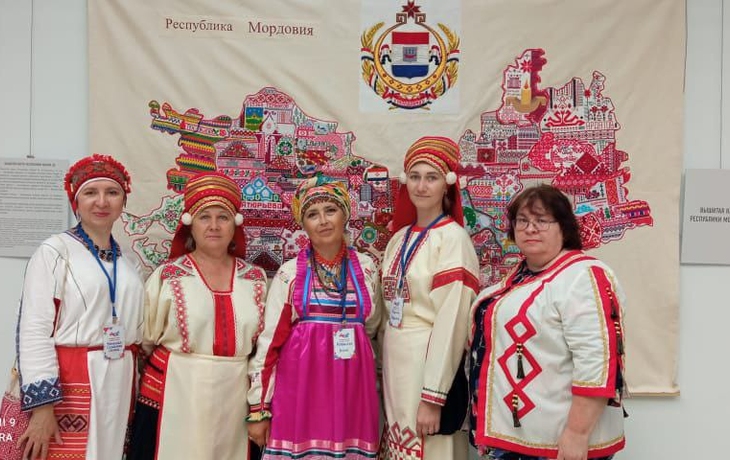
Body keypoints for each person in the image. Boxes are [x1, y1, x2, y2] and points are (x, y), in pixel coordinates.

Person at [469, 184, 627, 460]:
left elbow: (597, 362)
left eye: (542, 220)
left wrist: (577, 433)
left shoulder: (583, 276)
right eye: (522, 220)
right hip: (515, 436)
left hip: (557, 442)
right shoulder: (520, 276)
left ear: (563, 227)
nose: (530, 229)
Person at [127, 171, 267, 460]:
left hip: (235, 397)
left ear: (235, 224)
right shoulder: (169, 276)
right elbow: (146, 341)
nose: (214, 226)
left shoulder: (255, 279)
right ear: (190, 224)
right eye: (205, 217)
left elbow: (263, 348)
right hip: (175, 391)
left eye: (223, 217)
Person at [15, 154, 144, 459]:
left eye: (112, 192)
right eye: (90, 192)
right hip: (72, 379)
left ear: (123, 201)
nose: (102, 202)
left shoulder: (129, 260)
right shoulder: (55, 251)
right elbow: (34, 329)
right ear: (76, 201)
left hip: (120, 378)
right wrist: (43, 406)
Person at [247, 175, 381, 460]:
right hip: (301, 391)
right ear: (303, 224)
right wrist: (259, 408)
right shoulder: (289, 274)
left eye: (330, 210)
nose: (323, 221)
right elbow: (269, 345)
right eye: (312, 214)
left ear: (345, 215)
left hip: (353, 391)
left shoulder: (367, 268)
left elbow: (371, 328)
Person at [379, 136, 480, 460]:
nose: (421, 186)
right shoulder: (398, 239)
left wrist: (433, 397)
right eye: (415, 176)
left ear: (446, 185)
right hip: (396, 361)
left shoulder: (453, 239)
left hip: (428, 361)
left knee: (431, 446)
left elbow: (452, 322)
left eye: (431, 177)